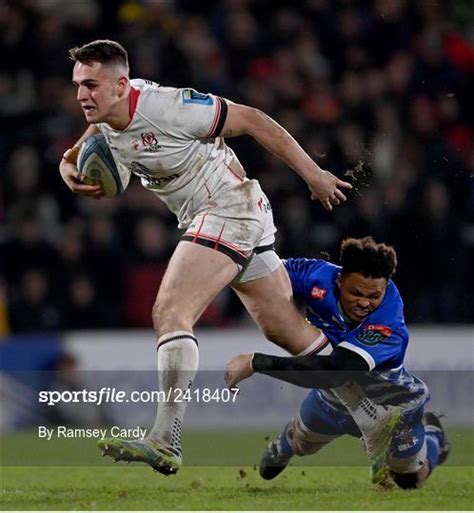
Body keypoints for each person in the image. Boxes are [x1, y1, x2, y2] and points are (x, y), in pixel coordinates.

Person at [59, 39, 388, 477]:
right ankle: (376, 417)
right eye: (79, 84)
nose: (82, 94)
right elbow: (83, 146)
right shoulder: (104, 115)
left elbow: (252, 119)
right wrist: (68, 167)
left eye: (92, 85)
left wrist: (314, 174)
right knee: (287, 332)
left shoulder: (168, 106)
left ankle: (165, 436)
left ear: (122, 84)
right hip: (226, 215)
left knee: (171, 311)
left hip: (227, 208)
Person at [225, 237, 451, 488]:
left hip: (391, 406)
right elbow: (263, 274)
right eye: (355, 293)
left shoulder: (388, 324)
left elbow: (334, 373)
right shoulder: (315, 275)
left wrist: (258, 363)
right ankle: (287, 443)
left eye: (374, 295)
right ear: (339, 281)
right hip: (334, 400)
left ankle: (434, 437)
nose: (364, 302)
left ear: (385, 287)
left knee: (409, 480)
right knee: (297, 444)